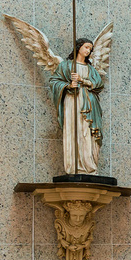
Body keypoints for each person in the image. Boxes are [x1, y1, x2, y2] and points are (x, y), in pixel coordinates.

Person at [47, 38, 105, 175]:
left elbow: (99, 84)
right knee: (74, 131)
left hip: (89, 104)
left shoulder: (90, 69)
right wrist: (68, 86)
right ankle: (73, 167)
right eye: (86, 47)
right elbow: (54, 81)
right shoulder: (66, 66)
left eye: (90, 49)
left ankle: (89, 166)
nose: (88, 50)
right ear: (78, 47)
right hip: (72, 101)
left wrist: (82, 80)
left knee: (86, 132)